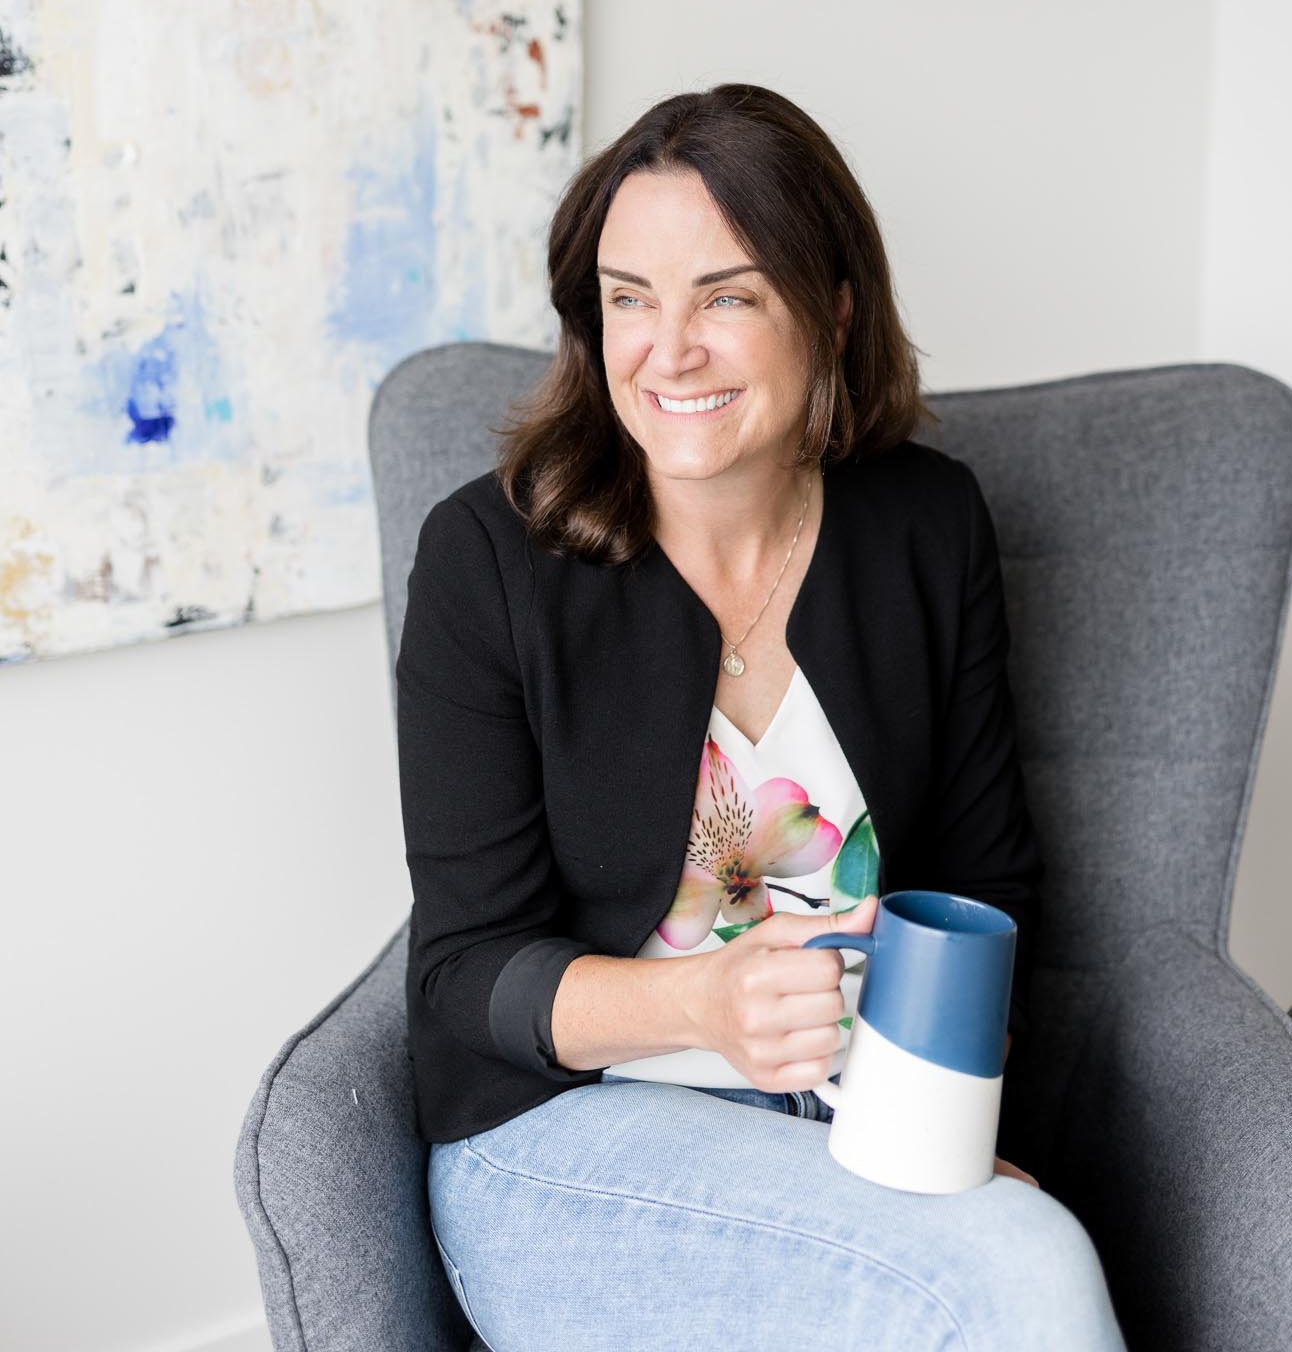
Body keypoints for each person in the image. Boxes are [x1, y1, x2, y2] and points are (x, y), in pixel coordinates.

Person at [397, 84, 1128, 1349]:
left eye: (726, 296)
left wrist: (950, 1137)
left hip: (863, 1117)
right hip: (565, 1135)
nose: (667, 349)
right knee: (1023, 1276)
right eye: (630, 296)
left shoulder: (927, 526)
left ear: (832, 308)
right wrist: (699, 1007)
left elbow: (989, 884)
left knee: (1013, 1262)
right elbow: (464, 975)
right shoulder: (488, 558)